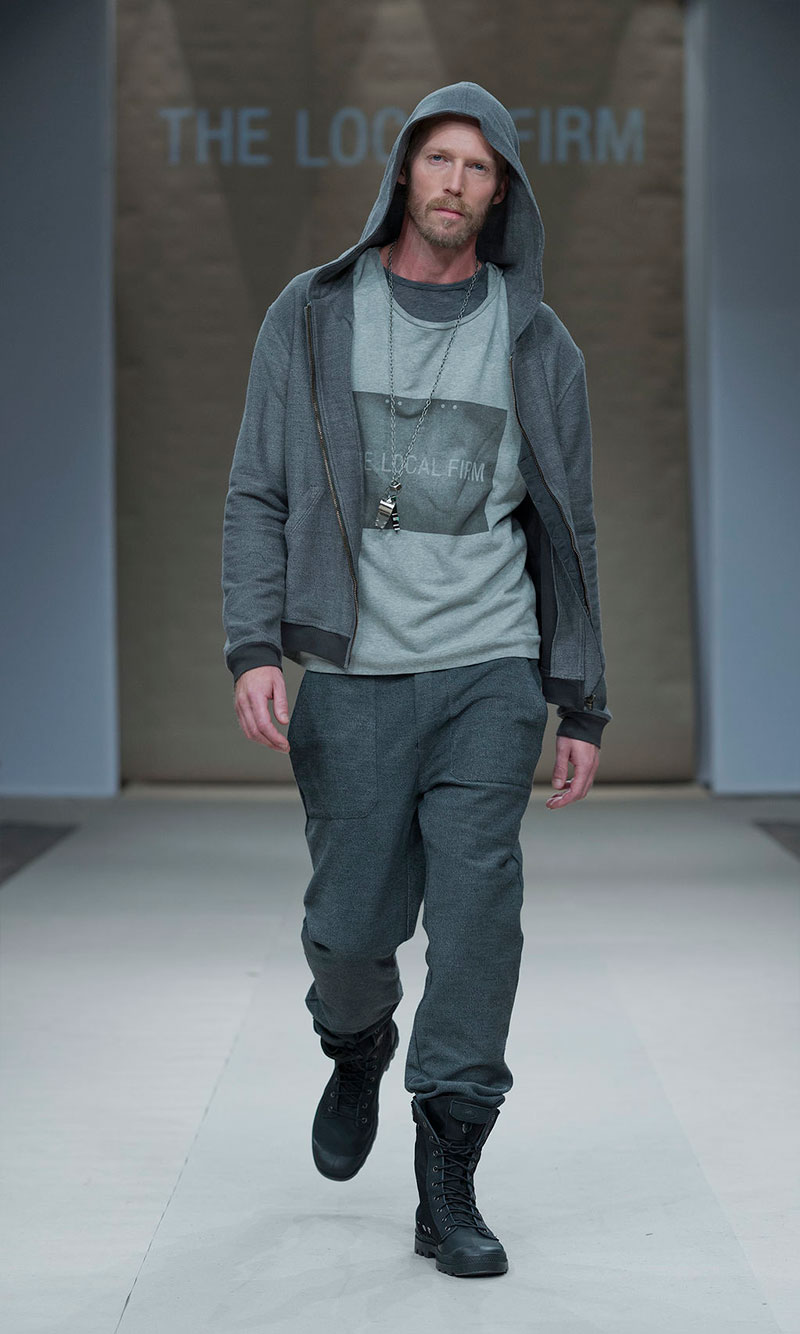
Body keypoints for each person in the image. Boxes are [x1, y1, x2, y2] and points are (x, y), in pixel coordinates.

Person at [221, 81, 612, 1279]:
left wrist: (579, 699)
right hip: (352, 673)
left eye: (478, 167)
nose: (454, 182)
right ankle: (355, 1042)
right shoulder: (313, 314)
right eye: (438, 158)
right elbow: (257, 489)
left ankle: (448, 1170)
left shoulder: (537, 343)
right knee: (348, 930)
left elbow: (569, 531)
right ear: (403, 171)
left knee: (479, 917)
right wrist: (252, 645)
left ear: (501, 194)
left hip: (488, 670)